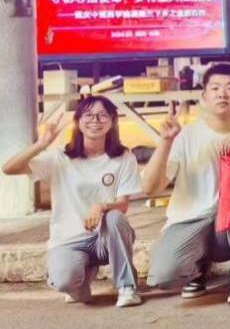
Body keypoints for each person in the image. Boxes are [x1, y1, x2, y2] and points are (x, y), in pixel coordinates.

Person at [3, 97, 143, 308]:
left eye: (102, 115)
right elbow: (9, 169)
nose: (95, 120)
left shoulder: (124, 157)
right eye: (88, 115)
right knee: (64, 282)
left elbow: (122, 205)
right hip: (69, 239)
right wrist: (41, 144)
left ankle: (126, 287)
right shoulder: (61, 158)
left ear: (112, 121)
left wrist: (101, 206)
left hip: (104, 238)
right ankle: (83, 277)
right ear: (78, 121)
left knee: (115, 217)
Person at [143, 63, 230, 304]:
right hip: (189, 221)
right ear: (204, 96)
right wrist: (165, 142)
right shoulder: (185, 136)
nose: (222, 94)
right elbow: (150, 188)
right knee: (162, 276)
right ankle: (196, 270)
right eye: (215, 88)